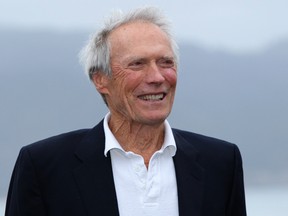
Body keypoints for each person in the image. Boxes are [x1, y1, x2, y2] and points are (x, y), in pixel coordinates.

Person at [5, 6, 246, 216]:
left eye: (166, 62)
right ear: (100, 80)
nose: (157, 77)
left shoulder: (221, 163)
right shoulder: (44, 167)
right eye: (137, 64)